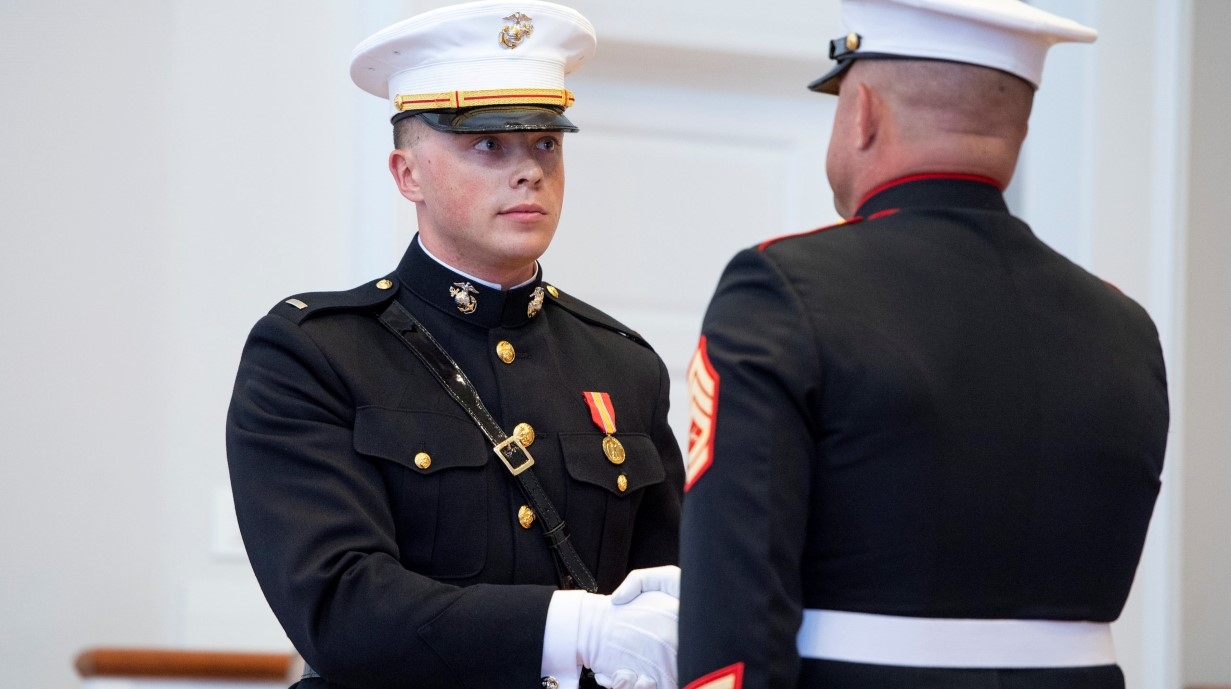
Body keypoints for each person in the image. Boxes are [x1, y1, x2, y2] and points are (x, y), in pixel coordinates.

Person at [676, 1, 1169, 688]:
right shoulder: (1125, 327)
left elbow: (736, 592)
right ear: (1019, 128)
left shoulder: (783, 290)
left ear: (864, 113)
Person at [225, 3, 684, 688]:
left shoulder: (621, 364)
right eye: (489, 145)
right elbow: (340, 605)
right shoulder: (315, 355)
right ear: (407, 174)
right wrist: (576, 627)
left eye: (546, 144)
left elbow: (665, 587)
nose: (528, 170)